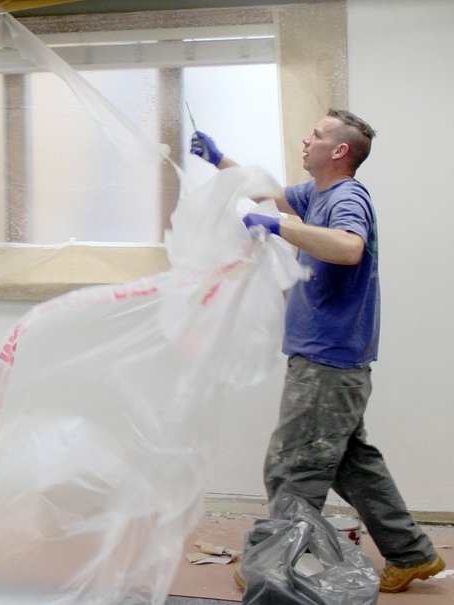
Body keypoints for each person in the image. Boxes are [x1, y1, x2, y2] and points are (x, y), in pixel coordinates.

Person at [190, 109, 444, 593]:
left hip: (329, 361)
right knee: (352, 464)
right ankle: (411, 554)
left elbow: (349, 247)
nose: (307, 140)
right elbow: (274, 195)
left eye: (319, 135)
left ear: (340, 151)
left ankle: (276, 570)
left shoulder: (348, 197)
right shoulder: (317, 194)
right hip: (331, 359)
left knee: (291, 468)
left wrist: (277, 228)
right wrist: (221, 161)